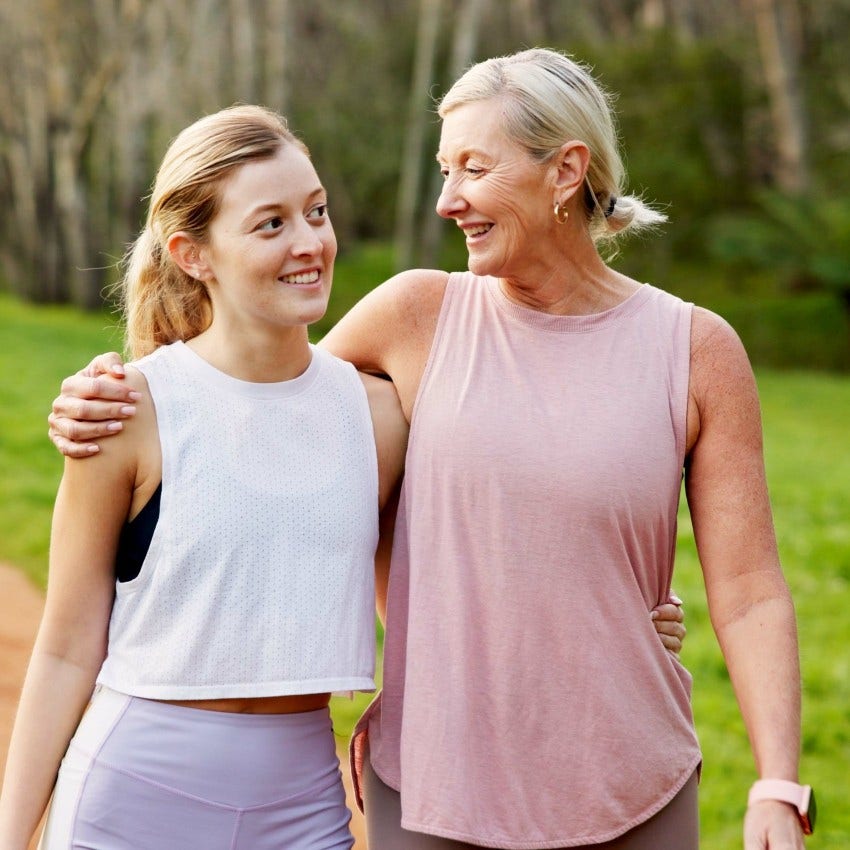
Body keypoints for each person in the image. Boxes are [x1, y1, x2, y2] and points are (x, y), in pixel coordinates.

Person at [44, 47, 798, 850]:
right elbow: (256, 425)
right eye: (445, 169)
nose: (448, 200)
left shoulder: (695, 350)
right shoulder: (415, 316)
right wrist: (118, 399)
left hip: (631, 781)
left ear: (565, 171)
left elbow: (750, 591)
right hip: (432, 779)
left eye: (473, 168)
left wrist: (777, 784)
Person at [0, 104, 412, 849]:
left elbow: (468, 559)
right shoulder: (128, 412)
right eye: (271, 224)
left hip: (304, 808)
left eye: (316, 211)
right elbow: (64, 649)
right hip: (132, 801)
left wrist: (640, 610)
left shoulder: (380, 418)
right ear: (193, 253)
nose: (310, 242)